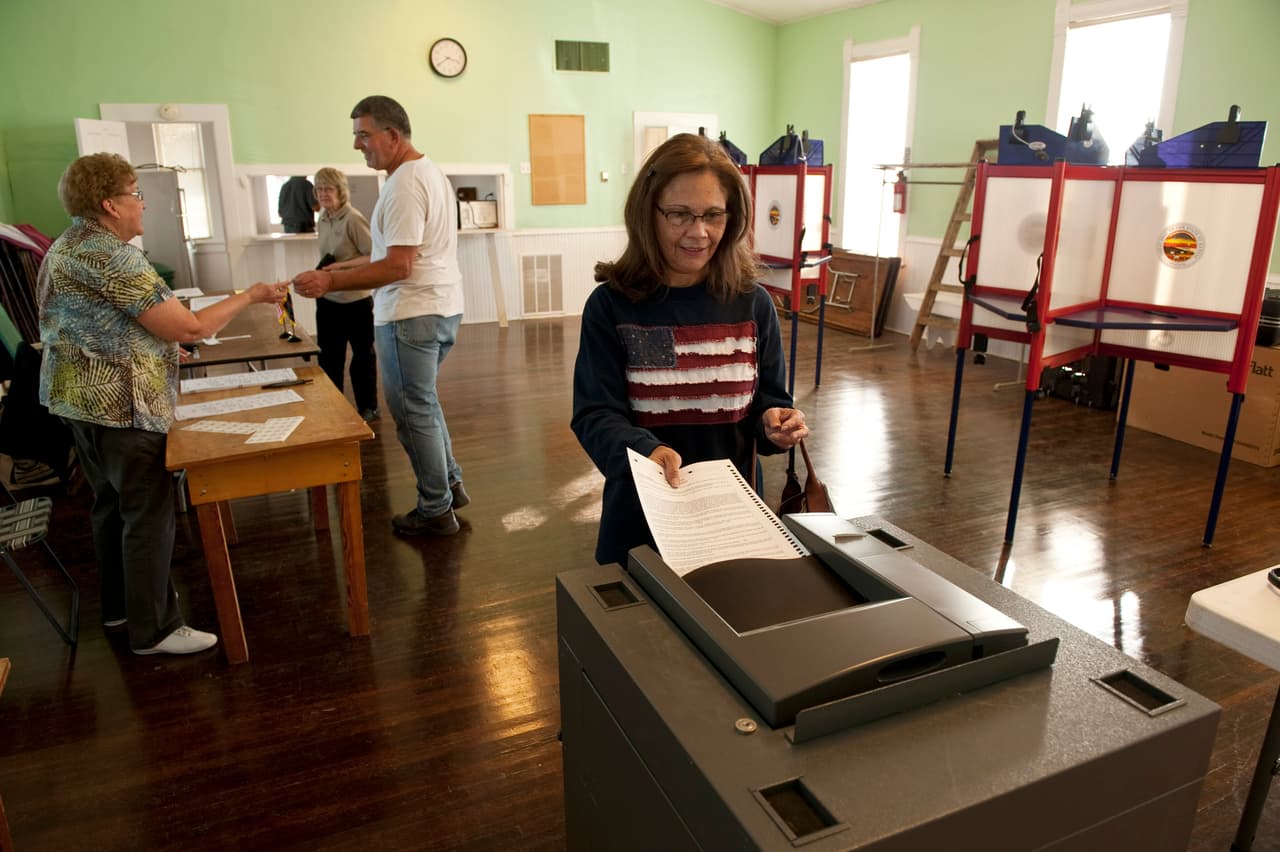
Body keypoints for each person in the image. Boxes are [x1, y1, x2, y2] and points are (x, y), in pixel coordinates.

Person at [37, 152, 290, 655]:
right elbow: (192, 326)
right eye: (135, 194)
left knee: (111, 506)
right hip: (121, 407)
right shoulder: (114, 254)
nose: (142, 205)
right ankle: (153, 631)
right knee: (148, 514)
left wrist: (156, 342)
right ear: (109, 204)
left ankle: (119, 611)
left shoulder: (66, 245)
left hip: (75, 401)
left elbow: (88, 321)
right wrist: (250, 294)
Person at [571, 133, 809, 566]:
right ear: (649, 214)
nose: (698, 233)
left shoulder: (754, 304)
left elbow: (769, 405)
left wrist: (775, 425)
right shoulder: (611, 307)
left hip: (732, 519)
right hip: (641, 519)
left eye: (713, 215)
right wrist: (648, 452)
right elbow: (595, 414)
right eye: (679, 214)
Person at [292, 96, 467, 537]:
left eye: (364, 135)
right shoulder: (425, 172)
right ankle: (450, 485)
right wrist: (338, 269)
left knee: (413, 412)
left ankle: (435, 510)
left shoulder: (405, 184)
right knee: (424, 404)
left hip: (411, 314)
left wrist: (329, 285)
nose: (357, 145)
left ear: (392, 135)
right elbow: (388, 255)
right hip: (440, 308)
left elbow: (398, 266)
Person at [310, 167, 378, 421]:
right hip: (328, 300)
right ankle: (333, 404)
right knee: (329, 357)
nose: (323, 194)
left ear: (340, 191)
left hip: (356, 300)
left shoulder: (353, 219)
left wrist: (340, 266)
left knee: (362, 356)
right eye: (318, 189)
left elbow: (373, 256)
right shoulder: (323, 219)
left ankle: (368, 407)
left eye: (327, 188)